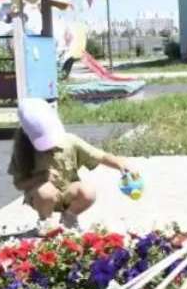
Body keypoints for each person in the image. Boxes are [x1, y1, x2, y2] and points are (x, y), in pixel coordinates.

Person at [9, 98, 135, 232]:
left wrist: (120, 164)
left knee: (88, 192)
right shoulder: (24, 151)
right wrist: (42, 178)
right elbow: (19, 184)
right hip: (42, 198)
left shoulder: (69, 141)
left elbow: (99, 155)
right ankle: (45, 221)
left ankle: (69, 217)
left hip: (68, 192)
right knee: (45, 191)